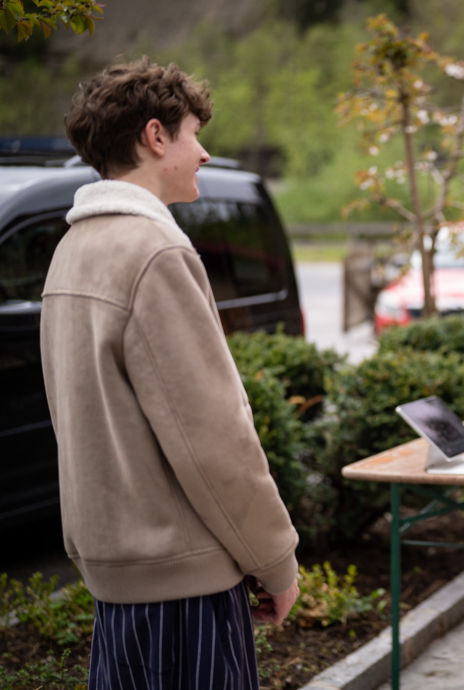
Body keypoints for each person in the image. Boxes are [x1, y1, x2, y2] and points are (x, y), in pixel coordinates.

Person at [40, 58, 300, 689]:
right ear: (155, 136)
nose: (204, 153)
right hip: (185, 592)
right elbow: (213, 438)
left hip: (118, 585)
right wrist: (277, 561)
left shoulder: (72, 250)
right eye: (193, 134)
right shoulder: (155, 251)